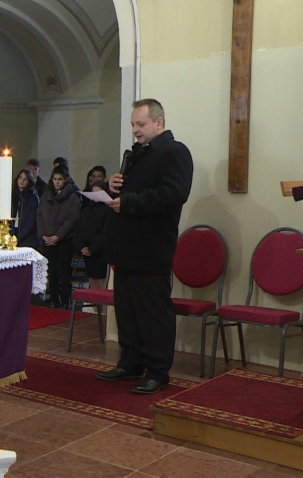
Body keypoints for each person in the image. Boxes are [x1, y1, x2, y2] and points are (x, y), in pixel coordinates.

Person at [97, 98, 193, 394]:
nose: (135, 130)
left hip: (152, 246)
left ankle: (157, 371)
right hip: (127, 245)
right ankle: (131, 362)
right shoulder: (139, 153)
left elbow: (173, 193)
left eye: (141, 124)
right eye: (133, 125)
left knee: (153, 312)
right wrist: (115, 186)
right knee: (127, 310)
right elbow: (135, 190)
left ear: (158, 122)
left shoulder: (174, 152)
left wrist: (129, 201)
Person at [37, 166, 80, 308]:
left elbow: (72, 219)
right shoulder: (46, 195)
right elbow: (40, 215)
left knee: (64, 271)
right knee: (52, 271)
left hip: (64, 240)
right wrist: (43, 234)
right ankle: (54, 299)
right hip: (47, 238)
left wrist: (58, 235)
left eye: (60, 179)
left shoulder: (73, 196)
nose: (57, 182)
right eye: (55, 179)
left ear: (65, 180)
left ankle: (66, 300)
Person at [73, 180, 110, 290]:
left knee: (101, 283)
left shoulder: (108, 210)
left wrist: (93, 249)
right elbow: (79, 229)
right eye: (93, 193)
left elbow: (106, 232)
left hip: (101, 252)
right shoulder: (86, 210)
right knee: (92, 281)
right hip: (87, 251)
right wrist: (81, 247)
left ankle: (101, 303)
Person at [12, 169, 40, 249]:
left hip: (28, 238)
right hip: (15, 232)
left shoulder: (32, 197)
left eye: (25, 179)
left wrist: (20, 237)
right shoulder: (15, 195)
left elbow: (32, 221)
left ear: (29, 182)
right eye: (20, 178)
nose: (22, 181)